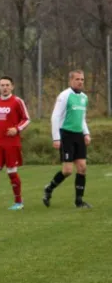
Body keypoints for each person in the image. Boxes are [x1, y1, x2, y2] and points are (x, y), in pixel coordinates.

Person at [43, 70, 92, 208]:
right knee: (68, 170)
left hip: (78, 135)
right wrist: (56, 138)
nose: (80, 81)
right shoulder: (64, 96)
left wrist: (86, 133)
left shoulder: (84, 97)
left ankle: (79, 201)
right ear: (70, 81)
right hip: (66, 135)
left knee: (82, 168)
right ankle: (49, 188)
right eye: (77, 79)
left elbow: (81, 118)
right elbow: (55, 117)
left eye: (82, 79)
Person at [0, 76, 30, 211]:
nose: (5, 87)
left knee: (12, 172)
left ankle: (18, 201)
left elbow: (26, 119)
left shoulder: (17, 101)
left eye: (7, 85)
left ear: (12, 87)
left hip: (11, 143)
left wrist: (17, 129)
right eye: (2, 85)